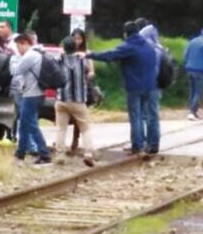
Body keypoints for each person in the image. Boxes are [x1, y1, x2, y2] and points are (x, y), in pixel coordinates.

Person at [89, 21, 159, 157]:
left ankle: (137, 145)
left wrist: (90, 54)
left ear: (126, 34)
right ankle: (152, 144)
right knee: (149, 116)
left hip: (135, 87)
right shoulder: (149, 45)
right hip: (150, 86)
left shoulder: (129, 46)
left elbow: (110, 55)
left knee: (136, 116)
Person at [11, 34, 52, 165]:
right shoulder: (38, 54)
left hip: (31, 95)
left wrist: (15, 59)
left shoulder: (30, 56)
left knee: (27, 125)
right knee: (27, 124)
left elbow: (15, 71)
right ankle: (24, 154)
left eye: (18, 46)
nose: (18, 50)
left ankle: (37, 154)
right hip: (36, 94)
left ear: (24, 43)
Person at [55, 37, 96, 166]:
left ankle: (60, 155)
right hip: (78, 99)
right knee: (85, 128)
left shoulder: (59, 60)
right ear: (76, 47)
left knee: (61, 129)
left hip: (62, 99)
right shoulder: (82, 60)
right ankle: (88, 153)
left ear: (64, 47)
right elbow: (90, 73)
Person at [139, 22, 166, 154]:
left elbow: (151, 70)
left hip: (150, 86)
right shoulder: (160, 48)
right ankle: (152, 142)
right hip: (157, 86)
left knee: (150, 115)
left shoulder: (150, 50)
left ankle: (152, 143)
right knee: (152, 114)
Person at [183, 26, 203, 121]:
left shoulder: (192, 41)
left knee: (192, 91)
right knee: (198, 92)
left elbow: (185, 55)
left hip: (189, 69)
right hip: (199, 70)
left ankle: (192, 112)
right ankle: (192, 112)